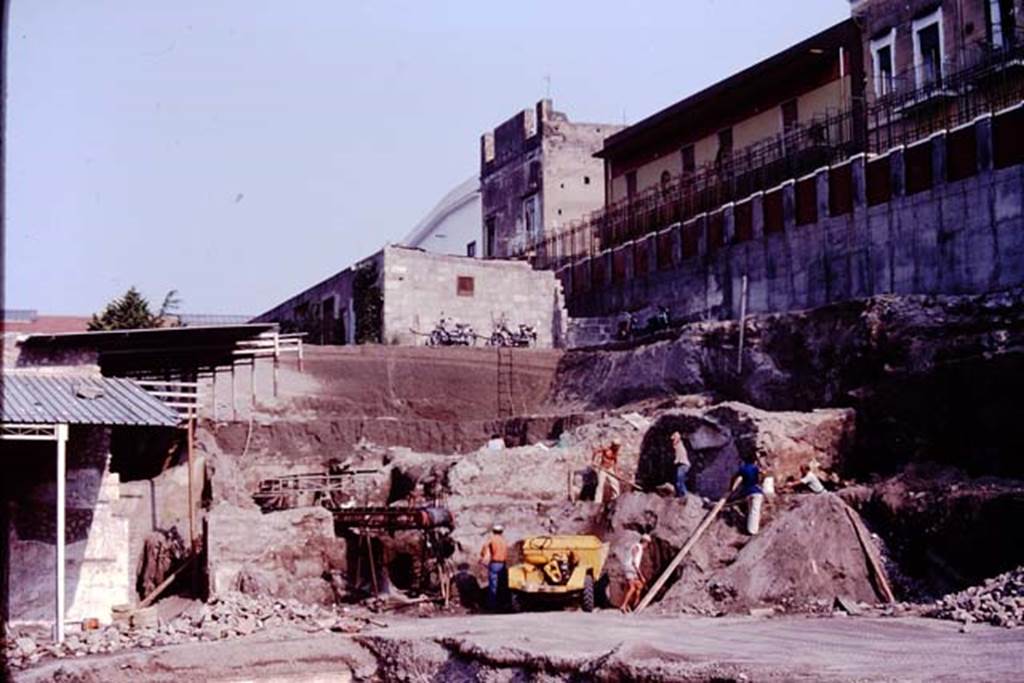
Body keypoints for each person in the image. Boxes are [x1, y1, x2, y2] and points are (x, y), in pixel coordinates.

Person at [733, 452, 764, 535]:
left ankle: (750, 529)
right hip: (756, 492)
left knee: (751, 511)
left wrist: (732, 489)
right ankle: (753, 531)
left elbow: (738, 479)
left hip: (747, 493)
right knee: (755, 511)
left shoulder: (743, 469)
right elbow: (760, 478)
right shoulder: (755, 468)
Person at [479, 523, 508, 611]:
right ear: (501, 532)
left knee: (493, 585)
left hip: (495, 563)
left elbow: (485, 547)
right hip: (503, 564)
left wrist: (483, 555)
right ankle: (503, 605)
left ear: (493, 531)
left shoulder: (492, 539)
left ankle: (492, 606)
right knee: (503, 585)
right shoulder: (504, 540)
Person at [620, 534, 650, 613]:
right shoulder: (638, 547)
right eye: (647, 543)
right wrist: (641, 575)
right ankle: (623, 605)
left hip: (630, 568)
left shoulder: (638, 547)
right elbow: (634, 562)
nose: (647, 545)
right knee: (632, 588)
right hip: (631, 569)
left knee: (637, 586)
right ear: (645, 542)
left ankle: (628, 605)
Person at [592, 439, 623, 503]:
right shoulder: (606, 449)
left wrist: (617, 473)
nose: (618, 447)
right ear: (613, 445)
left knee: (615, 484)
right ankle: (597, 502)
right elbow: (595, 451)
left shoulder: (616, 452)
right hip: (603, 469)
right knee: (600, 485)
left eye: (618, 446)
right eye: (616, 446)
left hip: (610, 469)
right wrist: (593, 461)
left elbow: (615, 463)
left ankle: (615, 499)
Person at [670, 431, 691, 497]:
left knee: (679, 482)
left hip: (683, 465)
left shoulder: (679, 446)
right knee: (679, 481)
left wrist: (675, 462)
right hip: (684, 465)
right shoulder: (679, 446)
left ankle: (684, 495)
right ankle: (680, 494)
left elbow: (679, 457)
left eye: (673, 440)